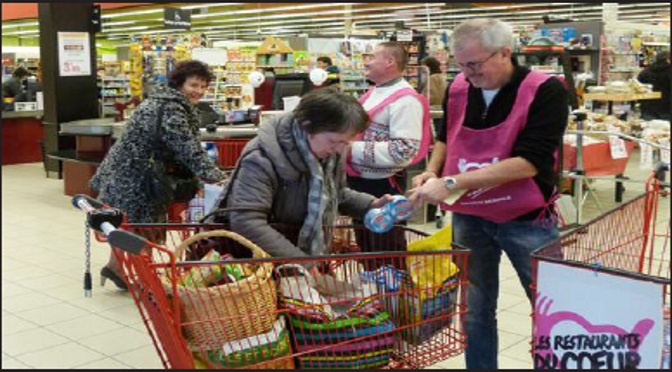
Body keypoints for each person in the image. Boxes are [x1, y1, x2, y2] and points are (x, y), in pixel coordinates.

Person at [408, 19, 568, 369]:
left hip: (528, 220)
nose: (467, 73)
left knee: (555, 308)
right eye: (460, 65)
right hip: (470, 216)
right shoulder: (459, 87)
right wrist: (433, 170)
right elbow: (446, 138)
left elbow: (528, 163)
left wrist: (451, 184)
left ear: (505, 53)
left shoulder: (546, 91)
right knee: (475, 309)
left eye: (475, 64)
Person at [210, 89, 392, 265]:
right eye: (335, 141)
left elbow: (334, 193)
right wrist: (303, 264)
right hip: (254, 264)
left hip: (294, 256)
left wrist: (370, 205)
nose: (340, 149)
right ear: (307, 126)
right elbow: (247, 221)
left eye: (346, 142)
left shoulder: (327, 155)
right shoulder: (262, 156)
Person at [90, 60, 227, 290]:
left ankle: (117, 270)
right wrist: (215, 176)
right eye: (193, 84)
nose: (199, 91)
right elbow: (187, 148)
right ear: (179, 84)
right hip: (139, 178)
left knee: (134, 226)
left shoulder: (161, 101)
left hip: (129, 174)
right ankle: (146, 280)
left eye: (204, 86)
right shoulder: (171, 108)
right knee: (145, 228)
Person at [345, 41, 431, 259]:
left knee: (385, 252)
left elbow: (404, 151)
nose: (367, 61)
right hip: (363, 183)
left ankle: (394, 292)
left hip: (382, 187)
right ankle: (375, 288)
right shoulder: (375, 91)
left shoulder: (406, 100)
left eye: (372, 57)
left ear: (390, 61)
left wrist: (349, 149)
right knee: (368, 249)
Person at [637, 50, 670, 121]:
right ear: (667, 60)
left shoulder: (645, 72)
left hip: (647, 110)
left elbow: (638, 88)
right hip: (667, 110)